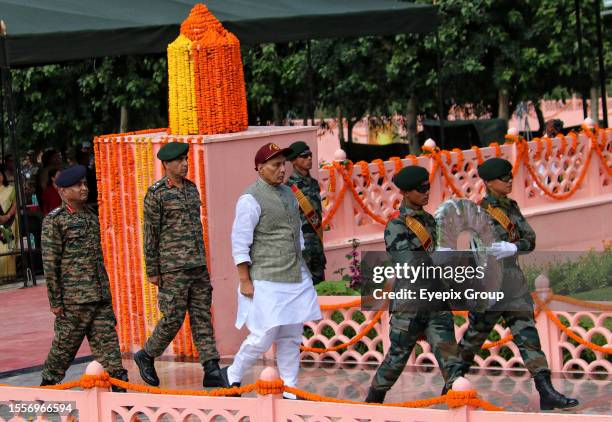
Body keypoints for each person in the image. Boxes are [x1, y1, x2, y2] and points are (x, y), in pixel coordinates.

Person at [446, 157, 579, 411]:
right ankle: (451, 383)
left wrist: (514, 247)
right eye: (503, 178)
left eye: (509, 177)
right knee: (474, 338)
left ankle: (546, 391)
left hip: (513, 285)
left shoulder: (511, 207)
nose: (509, 181)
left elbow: (530, 238)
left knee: (528, 337)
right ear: (488, 182)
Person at [220, 142, 322, 398]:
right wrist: (244, 279)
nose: (282, 170)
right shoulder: (250, 199)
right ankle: (232, 374)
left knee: (291, 335)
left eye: (283, 164)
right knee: (263, 336)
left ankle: (290, 386)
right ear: (259, 168)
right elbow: (239, 242)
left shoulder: (290, 193)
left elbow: (297, 232)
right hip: (266, 277)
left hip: (295, 275)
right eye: (275, 165)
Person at [364, 166, 461, 403]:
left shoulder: (429, 220)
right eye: (421, 189)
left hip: (436, 302)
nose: (426, 192)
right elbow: (408, 262)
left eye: (428, 187)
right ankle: (372, 404)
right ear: (407, 192)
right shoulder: (396, 226)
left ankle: (455, 407)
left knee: (453, 361)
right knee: (396, 359)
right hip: (410, 305)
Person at [135, 142, 224, 388]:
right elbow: (150, 234)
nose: (185, 164)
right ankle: (147, 355)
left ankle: (211, 367)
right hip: (172, 268)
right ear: (166, 164)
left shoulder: (191, 189)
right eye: (179, 160)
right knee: (173, 317)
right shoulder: (157, 194)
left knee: (202, 316)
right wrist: (152, 270)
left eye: (186, 159)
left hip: (197, 265)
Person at [40, 165, 128, 391]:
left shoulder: (91, 216)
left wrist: (106, 295)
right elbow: (51, 264)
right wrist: (56, 302)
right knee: (62, 352)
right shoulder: (55, 221)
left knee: (110, 350)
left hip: (98, 297)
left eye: (85, 184)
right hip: (73, 302)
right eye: (77, 185)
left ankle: (122, 394)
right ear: (63, 191)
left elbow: (98, 259)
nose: (84, 188)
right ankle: (45, 393)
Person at [285, 141, 326, 284]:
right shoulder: (288, 188)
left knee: (322, 290)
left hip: (317, 246)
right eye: (304, 156)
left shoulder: (314, 183)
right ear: (293, 161)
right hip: (302, 249)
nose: (309, 158)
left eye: (310, 155)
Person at [0, 166, 17, 280]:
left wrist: (8, 216)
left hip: (10, 222)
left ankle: (10, 276)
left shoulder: (10, 189)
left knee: (9, 247)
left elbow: (15, 203)